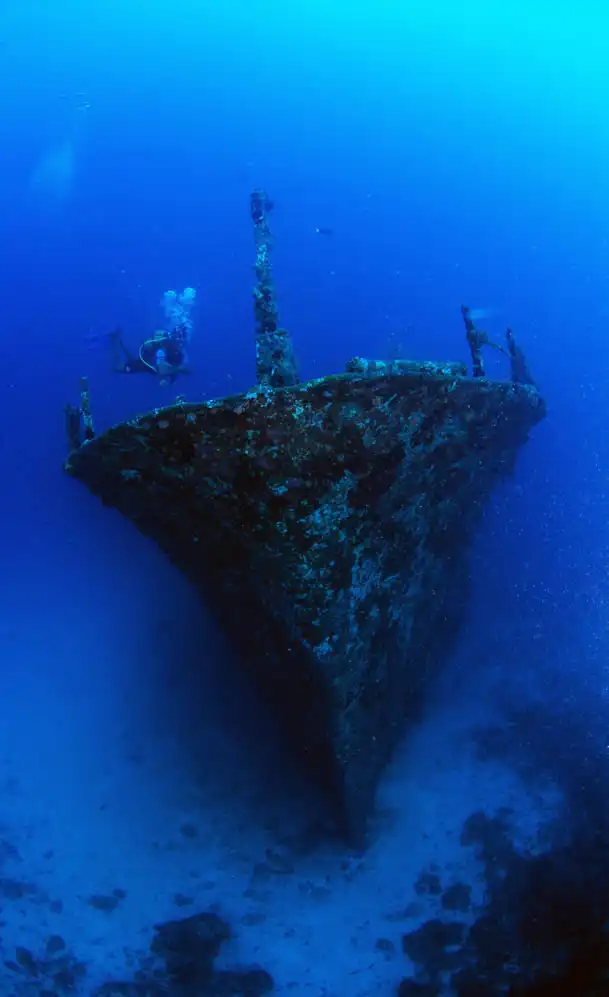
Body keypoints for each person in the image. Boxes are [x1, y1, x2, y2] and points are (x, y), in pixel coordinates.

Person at [110, 286, 196, 385]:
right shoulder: (149, 362)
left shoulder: (173, 357)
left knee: (180, 334)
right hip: (159, 355)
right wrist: (115, 343)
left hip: (168, 353)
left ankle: (179, 313)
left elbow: (187, 368)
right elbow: (119, 367)